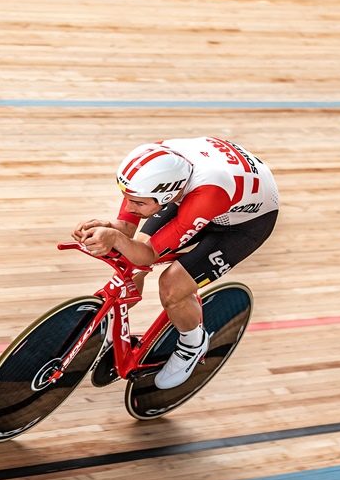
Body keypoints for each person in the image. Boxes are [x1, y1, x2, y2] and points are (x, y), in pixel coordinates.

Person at [73, 137, 279, 389]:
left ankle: (193, 344)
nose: (129, 206)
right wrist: (109, 227)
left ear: (169, 194)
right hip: (209, 193)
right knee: (131, 263)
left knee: (173, 286)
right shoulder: (155, 162)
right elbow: (126, 227)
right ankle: (112, 330)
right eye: (127, 197)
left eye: (137, 202)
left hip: (242, 224)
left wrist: (115, 238)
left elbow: (148, 254)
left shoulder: (208, 192)